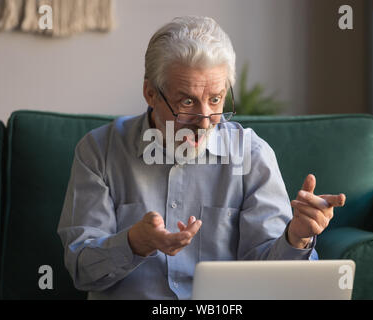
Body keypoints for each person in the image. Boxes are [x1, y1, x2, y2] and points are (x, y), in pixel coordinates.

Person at [57, 16, 346, 300]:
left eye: (216, 99)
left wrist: (296, 238)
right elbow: (82, 270)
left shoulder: (251, 155)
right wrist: (134, 243)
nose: (205, 122)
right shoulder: (99, 151)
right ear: (150, 93)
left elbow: (272, 282)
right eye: (187, 101)